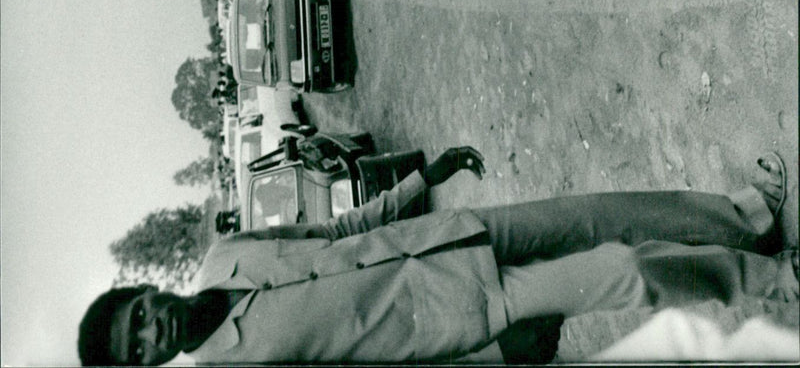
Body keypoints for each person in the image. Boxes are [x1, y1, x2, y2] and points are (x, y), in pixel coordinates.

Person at [78, 148, 795, 365]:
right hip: (467, 309)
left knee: (600, 211)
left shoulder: (223, 254)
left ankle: (746, 217)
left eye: (137, 314)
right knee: (626, 273)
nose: (152, 329)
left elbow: (334, 233)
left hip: (450, 236)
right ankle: (777, 279)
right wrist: (495, 354)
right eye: (137, 347)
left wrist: (426, 179)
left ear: (146, 289)